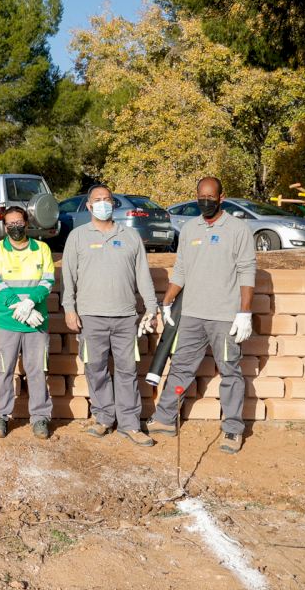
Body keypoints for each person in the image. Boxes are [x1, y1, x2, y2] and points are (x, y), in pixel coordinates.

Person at [148, 176, 256, 454]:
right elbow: (181, 270)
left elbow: (247, 271)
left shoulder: (237, 229)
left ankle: (232, 429)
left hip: (224, 317)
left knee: (230, 371)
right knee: (181, 367)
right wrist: (167, 302)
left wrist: (244, 312)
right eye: (201, 197)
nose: (205, 201)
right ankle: (165, 419)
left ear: (221, 198)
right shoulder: (190, 229)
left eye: (210, 197)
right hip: (192, 315)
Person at [61, 184, 159, 446]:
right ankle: (104, 417)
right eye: (97, 200)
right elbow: (68, 277)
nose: (102, 203)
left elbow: (143, 275)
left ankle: (130, 424)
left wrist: (152, 307)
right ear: (89, 206)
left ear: (114, 204)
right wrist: (69, 309)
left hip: (125, 316)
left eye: (107, 199)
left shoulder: (130, 236)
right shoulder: (78, 236)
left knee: (128, 371)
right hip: (90, 317)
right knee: (96, 369)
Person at [0, 206, 55, 439]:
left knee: (37, 370)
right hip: (6, 322)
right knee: (3, 370)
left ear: (27, 223)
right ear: (5, 227)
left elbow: (47, 282)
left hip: (37, 321)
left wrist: (31, 303)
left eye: (19, 222)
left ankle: (40, 417)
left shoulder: (42, 249)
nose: (15, 227)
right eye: (10, 224)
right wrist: (21, 307)